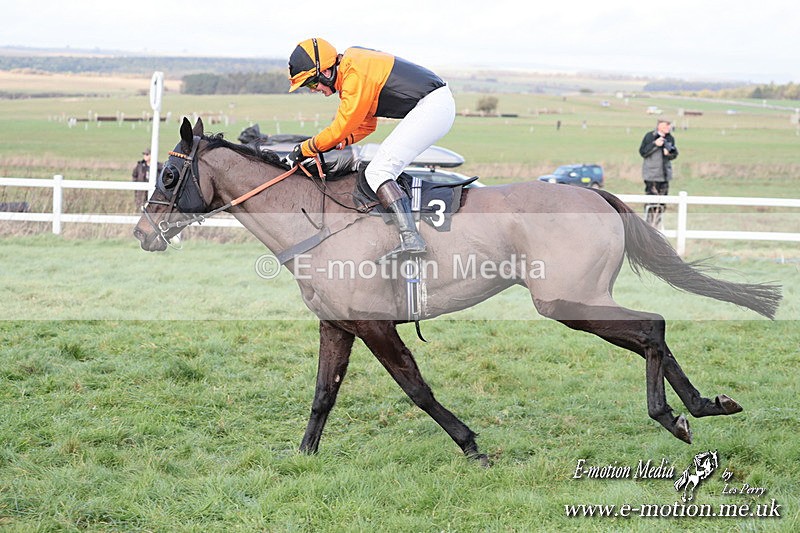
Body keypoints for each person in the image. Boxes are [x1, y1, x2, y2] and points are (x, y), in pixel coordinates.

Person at [286, 37, 455, 257]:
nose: (311, 90)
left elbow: (341, 126)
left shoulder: (354, 74)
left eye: (311, 83)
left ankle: (411, 238)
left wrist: (305, 148)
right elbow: (367, 124)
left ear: (326, 72)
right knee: (379, 169)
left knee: (379, 171)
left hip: (433, 106)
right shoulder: (351, 68)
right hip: (435, 104)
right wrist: (343, 141)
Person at [639, 119, 678, 228]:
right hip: (651, 175)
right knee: (651, 201)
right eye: (666, 125)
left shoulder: (670, 138)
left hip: (664, 175)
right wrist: (654, 144)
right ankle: (648, 225)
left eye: (669, 125)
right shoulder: (649, 136)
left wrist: (669, 153)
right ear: (660, 126)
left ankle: (657, 224)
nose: (668, 127)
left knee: (662, 202)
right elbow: (643, 152)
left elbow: (674, 154)